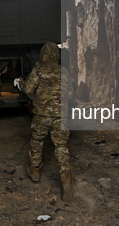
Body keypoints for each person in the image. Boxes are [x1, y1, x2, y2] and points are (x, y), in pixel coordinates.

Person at [18, 42, 74, 202]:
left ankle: (35, 171)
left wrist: (21, 84)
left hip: (42, 114)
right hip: (61, 116)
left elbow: (28, 90)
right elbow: (70, 95)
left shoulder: (39, 70)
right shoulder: (63, 71)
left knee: (37, 141)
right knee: (61, 146)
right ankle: (66, 178)